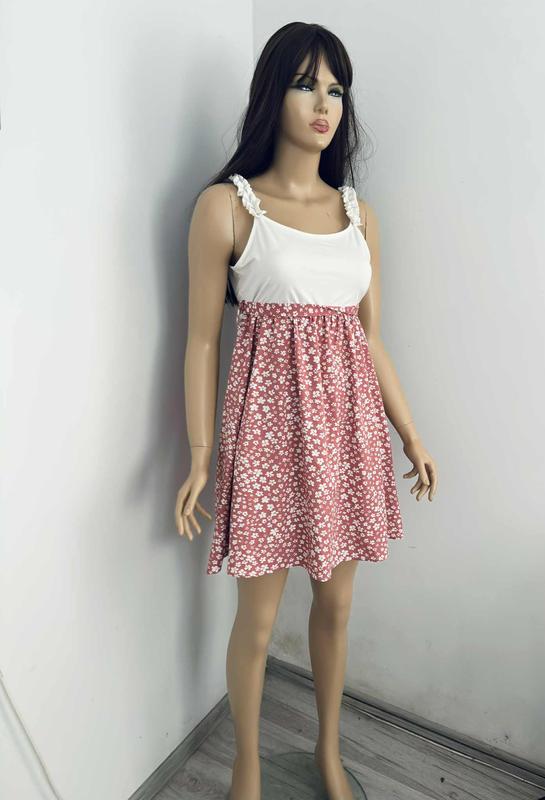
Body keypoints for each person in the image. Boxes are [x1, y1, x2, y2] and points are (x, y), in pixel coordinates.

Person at [175, 21, 438, 800]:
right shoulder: (228, 207)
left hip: (349, 438)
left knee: (336, 605)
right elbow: (200, 341)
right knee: (257, 623)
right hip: (263, 441)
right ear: (271, 94)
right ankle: (247, 770)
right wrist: (200, 455)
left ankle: (327, 753)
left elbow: (369, 340)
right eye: (304, 83)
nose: (323, 103)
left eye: (335, 88)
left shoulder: (360, 216)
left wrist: (410, 434)